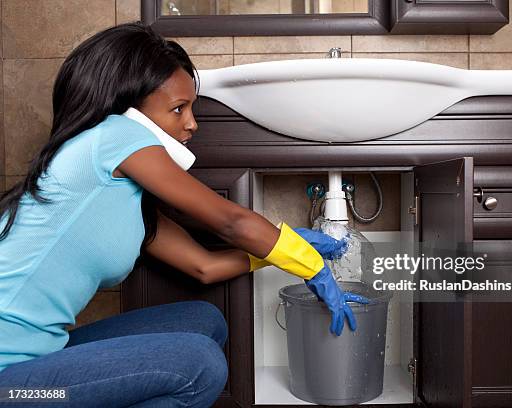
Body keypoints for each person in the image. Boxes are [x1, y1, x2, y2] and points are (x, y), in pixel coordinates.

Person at [0, 22, 367, 407]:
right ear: (131, 111)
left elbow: (203, 266)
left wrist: (285, 248)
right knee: (200, 364)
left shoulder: (119, 193)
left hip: (37, 362)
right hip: (13, 386)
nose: (192, 123)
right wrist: (309, 264)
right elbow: (232, 222)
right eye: (178, 109)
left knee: (203, 321)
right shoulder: (116, 134)